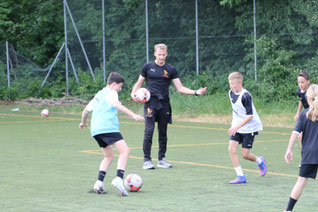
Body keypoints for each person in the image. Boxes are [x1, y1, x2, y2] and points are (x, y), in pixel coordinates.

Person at [131, 43, 207, 170]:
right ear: (155, 53)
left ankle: (161, 159)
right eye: (159, 55)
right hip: (150, 102)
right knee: (149, 131)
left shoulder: (171, 69)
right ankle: (147, 160)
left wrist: (196, 92)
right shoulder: (147, 67)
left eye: (163, 55)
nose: (161, 57)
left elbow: (180, 88)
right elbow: (138, 83)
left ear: (167, 54)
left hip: (164, 103)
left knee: (163, 132)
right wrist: (133, 94)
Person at [79, 72, 144, 196]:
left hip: (96, 130)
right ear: (114, 84)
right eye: (120, 87)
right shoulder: (111, 93)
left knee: (108, 156)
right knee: (125, 151)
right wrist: (133, 115)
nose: (119, 89)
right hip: (108, 127)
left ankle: (98, 183)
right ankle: (119, 179)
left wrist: (83, 123)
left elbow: (86, 110)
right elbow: (116, 105)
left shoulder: (99, 94)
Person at [227, 72, 267, 184]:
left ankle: (260, 161)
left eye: (233, 84)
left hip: (249, 127)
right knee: (231, 149)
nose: (231, 86)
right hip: (237, 126)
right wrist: (234, 125)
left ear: (240, 83)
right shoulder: (230, 93)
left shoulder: (246, 96)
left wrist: (236, 127)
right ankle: (240, 176)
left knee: (245, 155)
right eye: (230, 83)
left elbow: (250, 116)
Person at [284, 84, 318, 212]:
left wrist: (289, 149)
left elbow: (295, 133)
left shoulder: (304, 114)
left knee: (301, 181)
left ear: (308, 99)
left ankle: (288, 209)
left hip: (308, 153)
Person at [293, 72, 310, 150]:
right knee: (300, 136)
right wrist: (298, 113)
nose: (300, 84)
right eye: (299, 82)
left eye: (302, 82)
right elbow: (301, 101)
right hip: (307, 115)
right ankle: (304, 154)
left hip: (313, 115)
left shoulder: (311, 92)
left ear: (308, 81)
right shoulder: (299, 92)